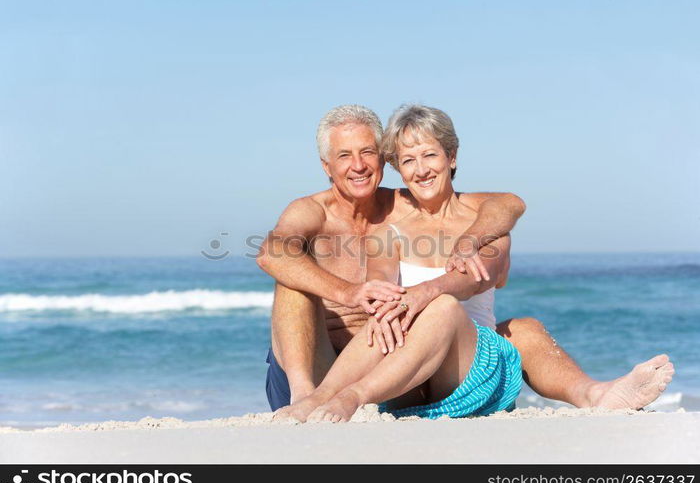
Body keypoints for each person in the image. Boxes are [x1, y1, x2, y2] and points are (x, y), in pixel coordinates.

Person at [258, 105, 674, 420]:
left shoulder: (466, 217)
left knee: (514, 327)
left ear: (451, 157)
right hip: (381, 369)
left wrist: (458, 256)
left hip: (453, 363)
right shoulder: (364, 219)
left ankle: (599, 395)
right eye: (408, 161)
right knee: (341, 298)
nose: (420, 170)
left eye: (430, 157)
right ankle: (313, 396)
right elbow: (281, 254)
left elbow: (505, 216)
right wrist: (368, 296)